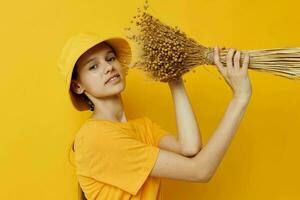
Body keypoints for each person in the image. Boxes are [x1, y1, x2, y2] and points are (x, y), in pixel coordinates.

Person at [57, 32, 251, 200]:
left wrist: (174, 79)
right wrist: (240, 98)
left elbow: (190, 148)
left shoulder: (142, 127)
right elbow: (200, 170)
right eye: (93, 67)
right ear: (78, 86)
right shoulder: (96, 137)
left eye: (110, 58)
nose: (108, 67)